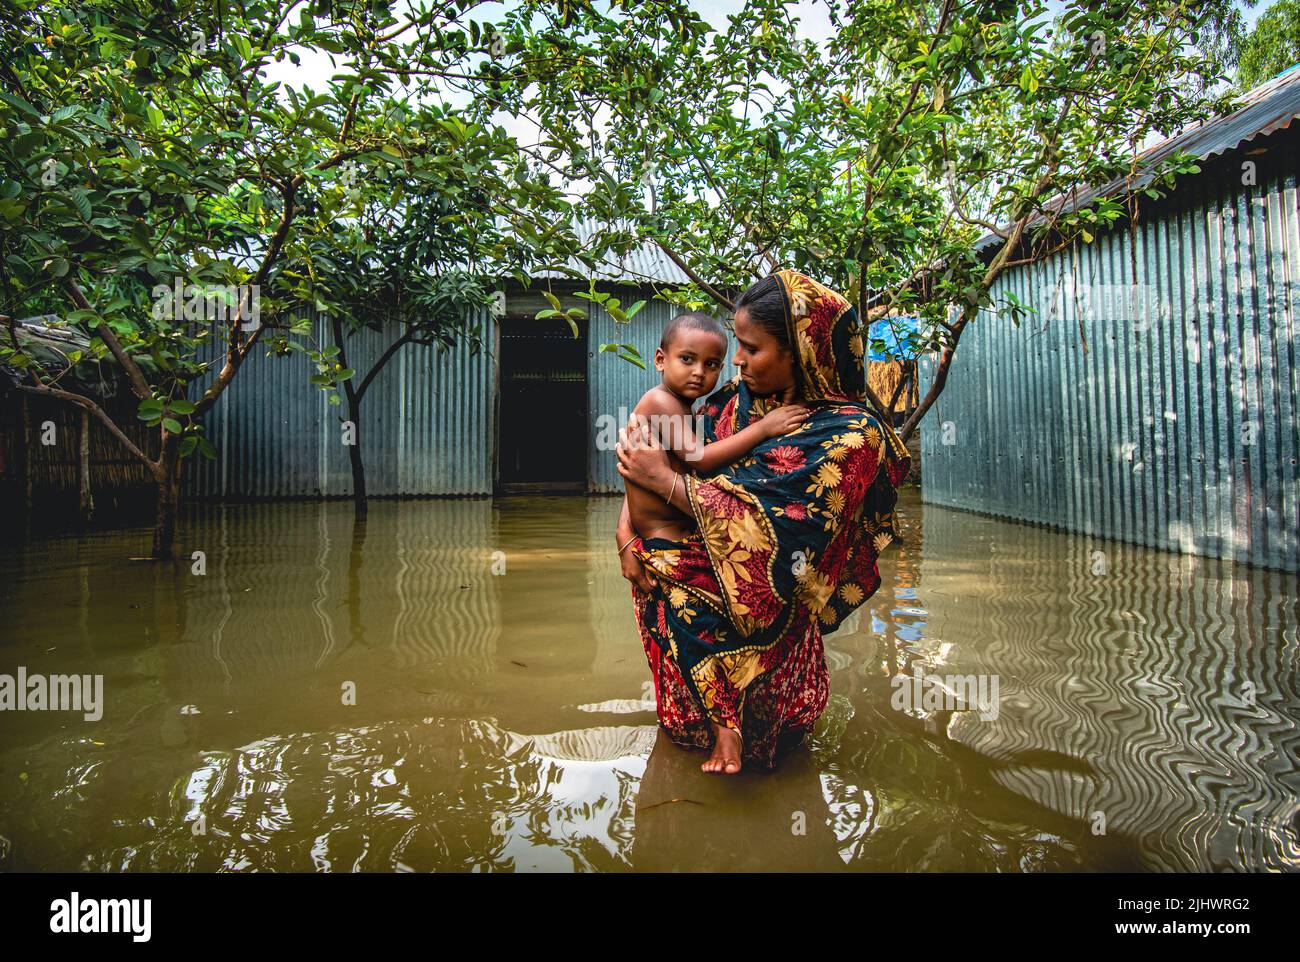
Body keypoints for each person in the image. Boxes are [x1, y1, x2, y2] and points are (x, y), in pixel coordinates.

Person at [616, 269, 911, 775]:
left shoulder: (851, 436)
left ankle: (744, 755)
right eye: (737, 345)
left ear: (800, 352)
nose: (735, 360)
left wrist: (665, 483)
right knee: (676, 792)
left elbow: (779, 530)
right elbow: (655, 460)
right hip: (668, 573)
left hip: (768, 622)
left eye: (751, 348)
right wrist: (625, 537)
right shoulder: (733, 399)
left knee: (776, 763)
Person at [616, 311, 809, 547]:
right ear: (660, 360)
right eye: (687, 359)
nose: (699, 372)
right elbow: (701, 459)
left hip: (674, 525)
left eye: (711, 364)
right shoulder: (660, 401)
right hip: (664, 532)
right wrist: (764, 428)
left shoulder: (683, 406)